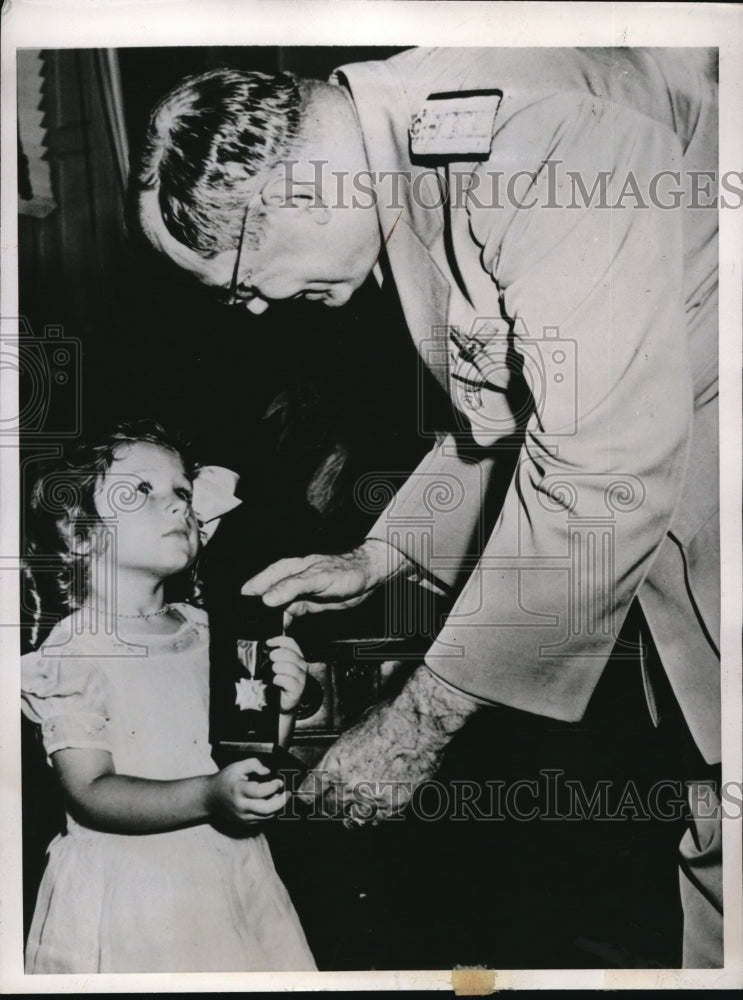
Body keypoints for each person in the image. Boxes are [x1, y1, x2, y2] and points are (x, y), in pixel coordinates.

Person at [133, 49, 721, 967]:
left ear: (284, 197)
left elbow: (596, 463)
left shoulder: (527, 140)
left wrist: (418, 724)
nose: (256, 312)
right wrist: (380, 559)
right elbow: (526, 419)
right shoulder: (413, 150)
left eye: (242, 283)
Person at [21, 420, 316, 973]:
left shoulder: (212, 631)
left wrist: (285, 709)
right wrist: (208, 797)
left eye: (183, 491)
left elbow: (247, 756)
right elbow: (89, 790)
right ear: (79, 532)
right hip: (135, 892)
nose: (179, 505)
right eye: (141, 491)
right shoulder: (73, 649)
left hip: (232, 873)